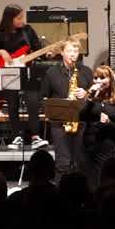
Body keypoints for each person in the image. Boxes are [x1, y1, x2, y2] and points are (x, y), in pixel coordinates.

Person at [0, 4, 49, 149]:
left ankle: (36, 137)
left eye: (22, 16)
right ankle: (16, 136)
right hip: (9, 70)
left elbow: (37, 49)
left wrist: (46, 53)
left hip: (29, 70)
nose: (22, 20)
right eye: (18, 17)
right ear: (9, 19)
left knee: (33, 102)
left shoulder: (27, 30)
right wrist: (1, 52)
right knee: (12, 103)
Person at [40, 36, 93, 183]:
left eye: (76, 50)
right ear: (62, 52)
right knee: (62, 162)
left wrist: (86, 93)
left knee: (79, 162)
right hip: (59, 123)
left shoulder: (86, 71)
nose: (73, 54)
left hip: (81, 121)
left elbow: (97, 95)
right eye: (69, 50)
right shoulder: (51, 73)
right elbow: (43, 97)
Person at [80, 65, 115, 190]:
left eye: (102, 78)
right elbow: (81, 116)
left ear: (111, 80)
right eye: (96, 78)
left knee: (105, 181)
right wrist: (90, 97)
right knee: (89, 182)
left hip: (106, 147)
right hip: (88, 145)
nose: (99, 81)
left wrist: (109, 123)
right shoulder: (92, 100)